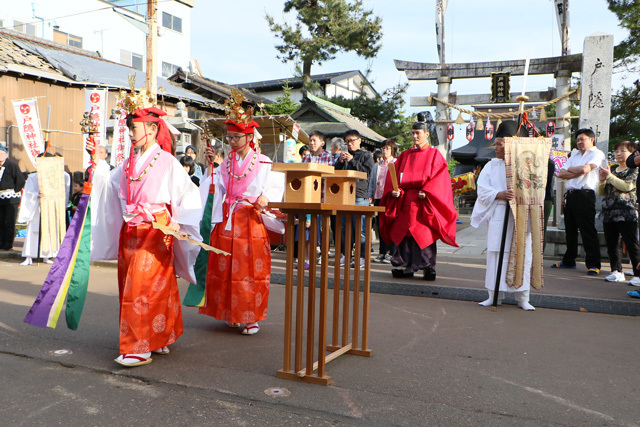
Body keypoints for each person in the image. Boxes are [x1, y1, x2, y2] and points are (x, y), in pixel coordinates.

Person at [87, 96, 203, 367]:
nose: (129, 134)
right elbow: (109, 184)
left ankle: (139, 346)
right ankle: (157, 336)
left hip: (156, 229)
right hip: (132, 229)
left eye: (134, 129)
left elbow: (188, 192)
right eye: (128, 129)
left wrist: (180, 219)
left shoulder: (167, 161)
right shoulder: (129, 163)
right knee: (135, 284)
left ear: (151, 129)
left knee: (145, 287)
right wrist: (99, 163)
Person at [198, 93, 284, 336]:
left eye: (237, 137)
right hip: (228, 220)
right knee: (225, 270)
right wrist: (210, 168)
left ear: (249, 136)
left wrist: (264, 198)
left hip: (251, 220)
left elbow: (273, 188)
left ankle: (251, 317)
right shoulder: (225, 164)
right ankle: (230, 312)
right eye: (230, 138)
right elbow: (215, 190)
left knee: (250, 272)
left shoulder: (264, 162)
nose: (233, 142)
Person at [380, 121, 458, 280]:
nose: (415, 136)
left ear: (426, 134)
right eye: (413, 133)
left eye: (418, 133)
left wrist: (428, 192)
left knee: (423, 233)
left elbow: (440, 179)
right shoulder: (405, 155)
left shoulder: (435, 154)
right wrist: (396, 191)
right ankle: (404, 265)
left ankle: (427, 266)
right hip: (405, 201)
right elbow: (394, 178)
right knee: (404, 234)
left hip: (424, 201)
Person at [471, 121, 535, 310]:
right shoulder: (491, 166)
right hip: (499, 212)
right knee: (496, 255)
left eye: (501, 143)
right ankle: (494, 295)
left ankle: (523, 298)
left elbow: (535, 189)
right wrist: (498, 194)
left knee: (522, 255)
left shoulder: (527, 166)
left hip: (520, 216)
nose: (496, 147)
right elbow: (481, 190)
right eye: (496, 143)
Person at [551, 128, 604, 275]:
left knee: (587, 230)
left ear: (591, 139)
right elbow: (561, 172)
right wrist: (577, 170)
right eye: (578, 139)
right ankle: (569, 260)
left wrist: (573, 171)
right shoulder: (574, 154)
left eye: (583, 139)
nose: (580, 142)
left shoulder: (597, 154)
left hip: (585, 195)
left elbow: (586, 170)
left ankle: (594, 264)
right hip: (571, 195)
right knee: (570, 230)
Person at [596, 141, 640, 285]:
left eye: (622, 150)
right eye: (616, 151)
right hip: (609, 212)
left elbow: (626, 186)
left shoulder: (634, 169)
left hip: (626, 211)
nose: (618, 153)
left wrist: (608, 176)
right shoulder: (613, 169)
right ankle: (616, 271)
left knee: (632, 243)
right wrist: (602, 180)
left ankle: (637, 274)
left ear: (632, 154)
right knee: (612, 244)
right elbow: (601, 192)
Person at [17, 154, 71, 266]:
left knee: (50, 230)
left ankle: (47, 255)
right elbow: (28, 192)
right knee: (34, 230)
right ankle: (29, 255)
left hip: (51, 205)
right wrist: (37, 194)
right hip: (37, 206)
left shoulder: (59, 176)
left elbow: (64, 192)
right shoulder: (33, 177)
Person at [334, 129, 374, 268]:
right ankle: (345, 255)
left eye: (352, 140)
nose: (350, 144)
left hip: (359, 194)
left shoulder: (366, 155)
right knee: (344, 228)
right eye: (347, 141)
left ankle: (362, 256)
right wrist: (339, 161)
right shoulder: (344, 155)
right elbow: (335, 173)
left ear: (359, 140)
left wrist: (352, 161)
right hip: (344, 195)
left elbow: (367, 172)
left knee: (361, 229)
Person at [369, 139, 397, 263]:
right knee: (380, 225)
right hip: (378, 197)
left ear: (393, 150)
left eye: (387, 149)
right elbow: (372, 181)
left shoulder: (396, 163)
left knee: (391, 224)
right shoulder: (378, 165)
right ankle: (382, 251)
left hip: (390, 197)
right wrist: (370, 195)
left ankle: (392, 252)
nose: (384, 151)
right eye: (383, 148)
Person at [0, 144, 25, 250]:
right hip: (0, 197)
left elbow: (20, 180)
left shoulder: (12, 165)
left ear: (6, 154)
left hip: (11, 197)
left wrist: (15, 191)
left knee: (9, 221)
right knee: (1, 221)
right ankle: (1, 241)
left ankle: (9, 243)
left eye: (1, 153)